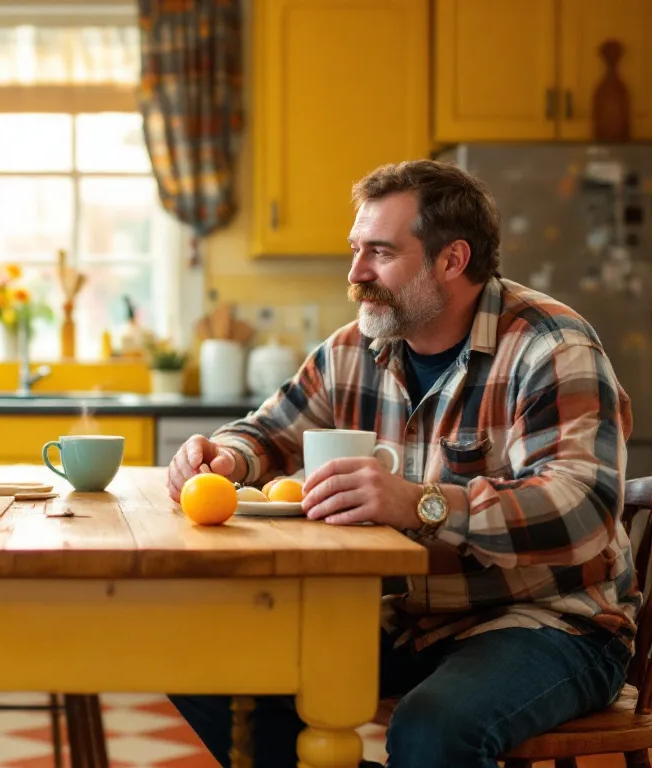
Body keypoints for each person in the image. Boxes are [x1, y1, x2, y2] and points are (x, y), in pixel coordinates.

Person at [165, 159, 638, 767]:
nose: (356, 272)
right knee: (201, 661)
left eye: (381, 253)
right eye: (356, 248)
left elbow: (585, 511)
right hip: (401, 617)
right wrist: (225, 456)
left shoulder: (552, 347)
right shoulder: (353, 348)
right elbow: (267, 433)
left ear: (452, 260)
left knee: (430, 730)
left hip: (547, 621)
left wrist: (420, 502)